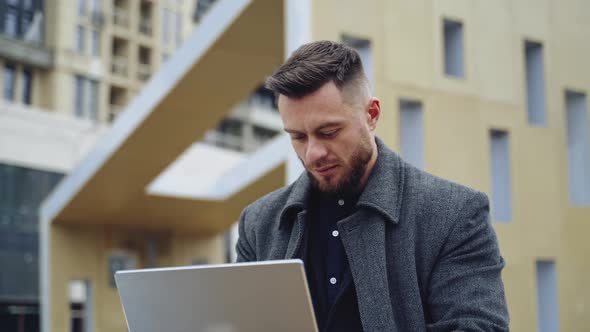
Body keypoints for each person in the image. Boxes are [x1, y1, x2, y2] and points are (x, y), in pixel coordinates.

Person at [235, 40, 509, 332]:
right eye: (298, 137)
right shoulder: (258, 222)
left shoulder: (455, 214)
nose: (313, 153)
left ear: (372, 115)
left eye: (328, 132)